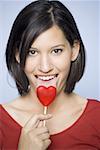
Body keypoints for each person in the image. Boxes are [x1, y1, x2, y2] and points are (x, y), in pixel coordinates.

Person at [0, 0, 100, 149]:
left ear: (74, 50)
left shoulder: (97, 117)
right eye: (32, 52)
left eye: (56, 51)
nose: (45, 67)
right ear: (18, 55)